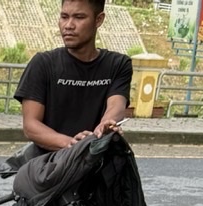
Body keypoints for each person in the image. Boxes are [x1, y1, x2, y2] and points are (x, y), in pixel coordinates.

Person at [13, 0, 131, 151]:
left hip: (97, 158)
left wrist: (106, 124)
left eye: (79, 17)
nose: (68, 25)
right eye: (64, 17)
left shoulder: (118, 64)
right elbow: (31, 125)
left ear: (98, 19)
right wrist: (73, 145)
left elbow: (116, 106)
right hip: (50, 161)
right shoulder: (43, 63)